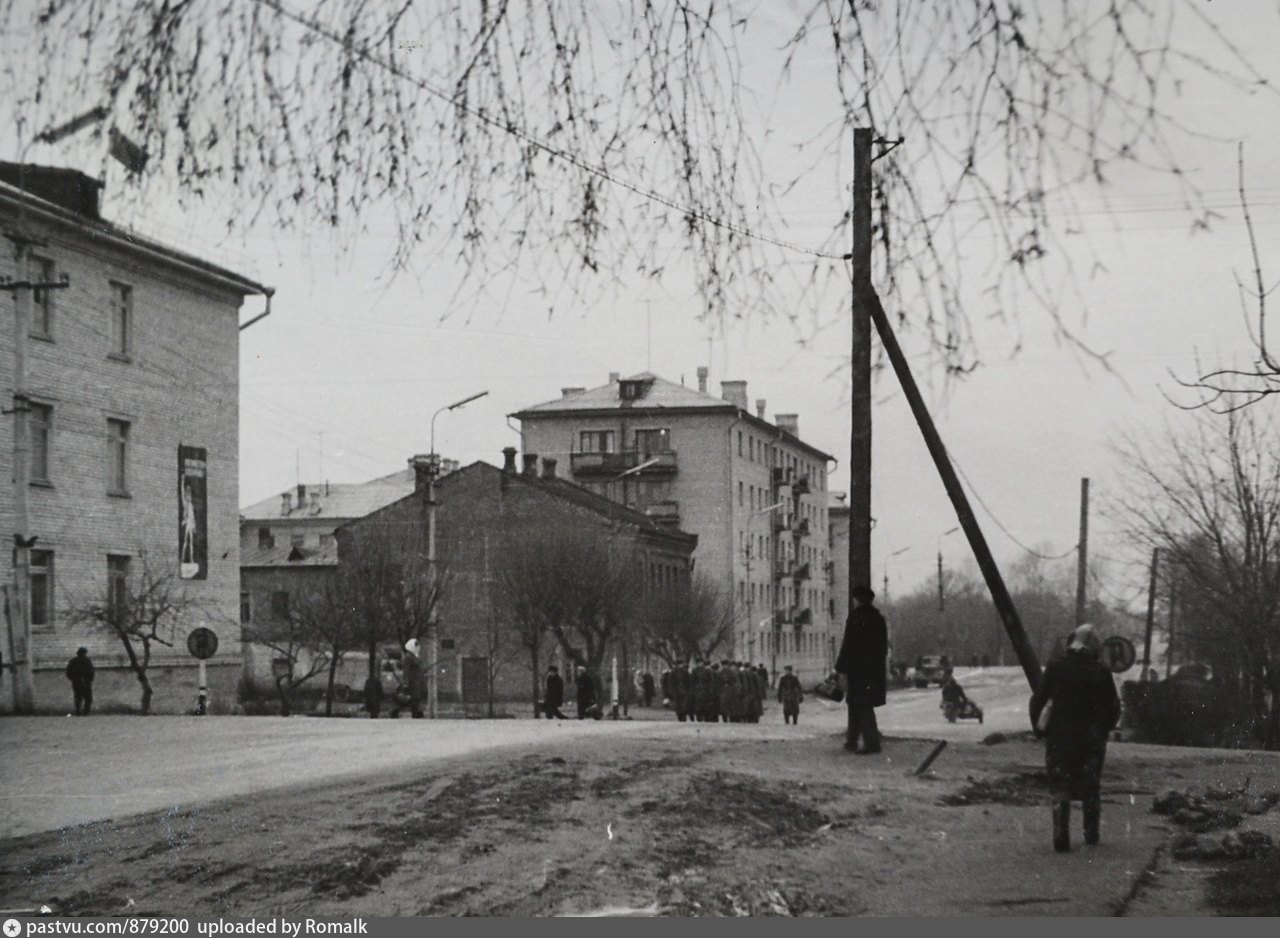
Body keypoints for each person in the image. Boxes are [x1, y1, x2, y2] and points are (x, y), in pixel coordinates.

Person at [1029, 624, 1121, 852]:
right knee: (1090, 784)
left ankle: (1061, 836)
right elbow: (1113, 706)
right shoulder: (1101, 672)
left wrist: (1039, 730)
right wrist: (1105, 728)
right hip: (1091, 738)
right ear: (1094, 647)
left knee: (1060, 784)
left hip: (1060, 737)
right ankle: (1091, 834)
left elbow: (1038, 701)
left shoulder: (1056, 668)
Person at [835, 585, 888, 754]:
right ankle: (853, 740)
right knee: (861, 703)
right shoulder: (878, 618)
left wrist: (840, 666)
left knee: (860, 705)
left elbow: (848, 644)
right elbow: (883, 647)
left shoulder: (856, 617)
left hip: (858, 669)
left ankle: (869, 743)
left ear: (857, 599)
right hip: (873, 669)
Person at [391, 639, 425, 718]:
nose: (418, 648)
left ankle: (413, 715)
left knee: (413, 701)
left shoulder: (414, 657)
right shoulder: (408, 657)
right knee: (412, 701)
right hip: (412, 683)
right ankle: (414, 715)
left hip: (416, 683)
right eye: (416, 646)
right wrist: (405, 683)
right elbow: (406, 671)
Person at [65, 647, 95, 716]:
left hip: (76, 682)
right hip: (86, 682)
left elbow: (68, 671)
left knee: (78, 697)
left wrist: (72, 679)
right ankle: (86, 712)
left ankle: (78, 711)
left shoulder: (73, 661)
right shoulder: (87, 660)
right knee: (88, 698)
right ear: (85, 653)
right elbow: (91, 671)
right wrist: (90, 680)